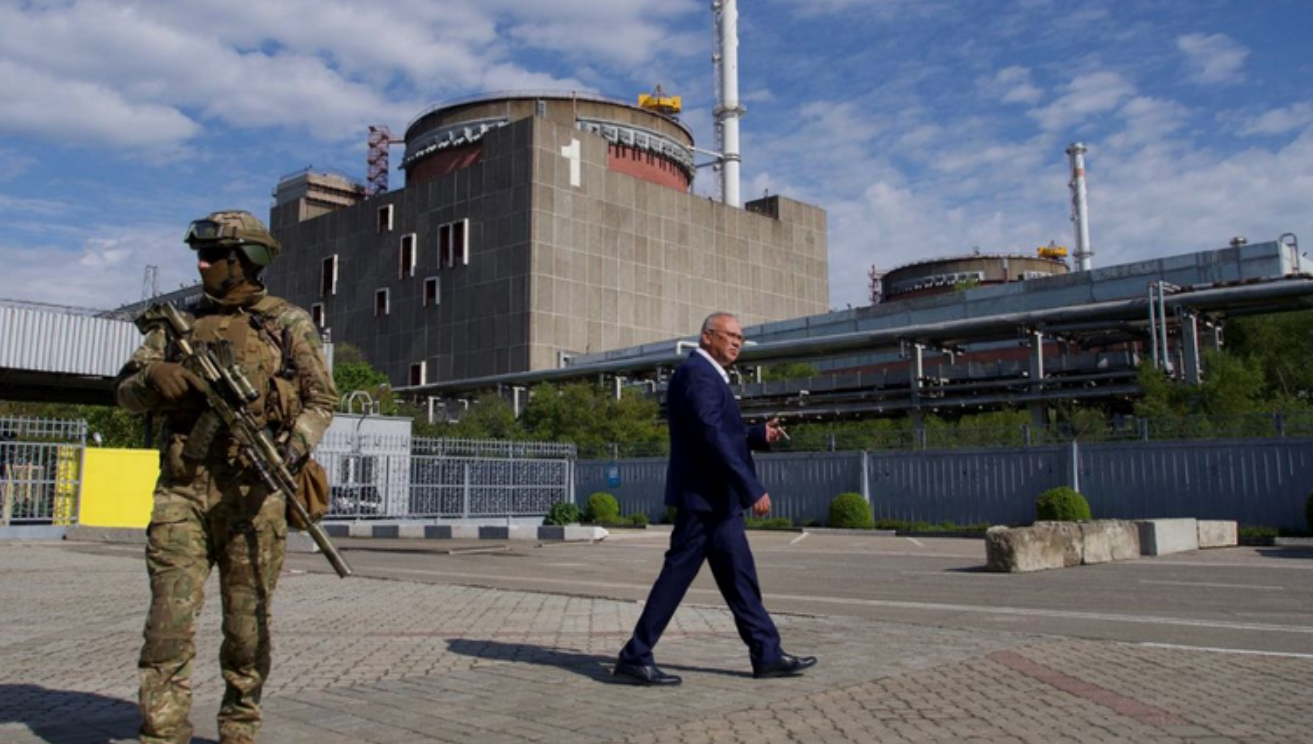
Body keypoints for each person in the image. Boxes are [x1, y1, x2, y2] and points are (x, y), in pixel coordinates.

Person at [115, 210, 337, 744]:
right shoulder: (177, 326)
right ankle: (163, 733)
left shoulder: (286, 323)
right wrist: (156, 378)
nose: (203, 264)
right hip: (182, 490)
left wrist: (292, 447)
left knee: (246, 628)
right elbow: (123, 393)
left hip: (255, 494)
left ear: (244, 262)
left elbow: (321, 400)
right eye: (202, 255)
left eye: (214, 256)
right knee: (167, 624)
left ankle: (239, 725)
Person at [614, 312, 817, 686]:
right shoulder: (698, 374)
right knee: (676, 577)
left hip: (717, 503)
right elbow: (710, 434)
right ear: (708, 337)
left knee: (741, 579)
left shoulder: (710, 376)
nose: (737, 343)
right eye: (730, 336)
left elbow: (723, 432)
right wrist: (750, 486)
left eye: (741, 337)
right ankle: (635, 655)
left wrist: (756, 435)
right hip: (705, 500)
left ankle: (767, 653)